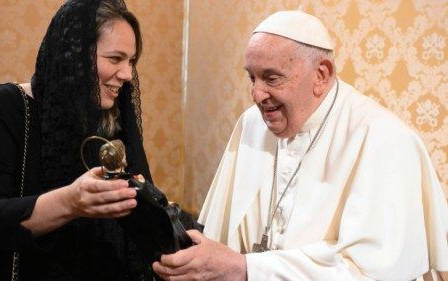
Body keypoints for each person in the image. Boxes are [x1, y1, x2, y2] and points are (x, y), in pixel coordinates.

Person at [152, 10, 448, 281]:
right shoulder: (251, 125)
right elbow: (225, 237)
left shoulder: (385, 139)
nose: (256, 94)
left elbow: (370, 272)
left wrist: (247, 269)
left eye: (271, 78)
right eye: (251, 77)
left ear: (321, 74)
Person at [0, 0, 169, 280]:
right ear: (74, 55)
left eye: (131, 61)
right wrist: (70, 202)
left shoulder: (114, 117)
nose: (127, 74)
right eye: (115, 59)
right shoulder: (4, 108)